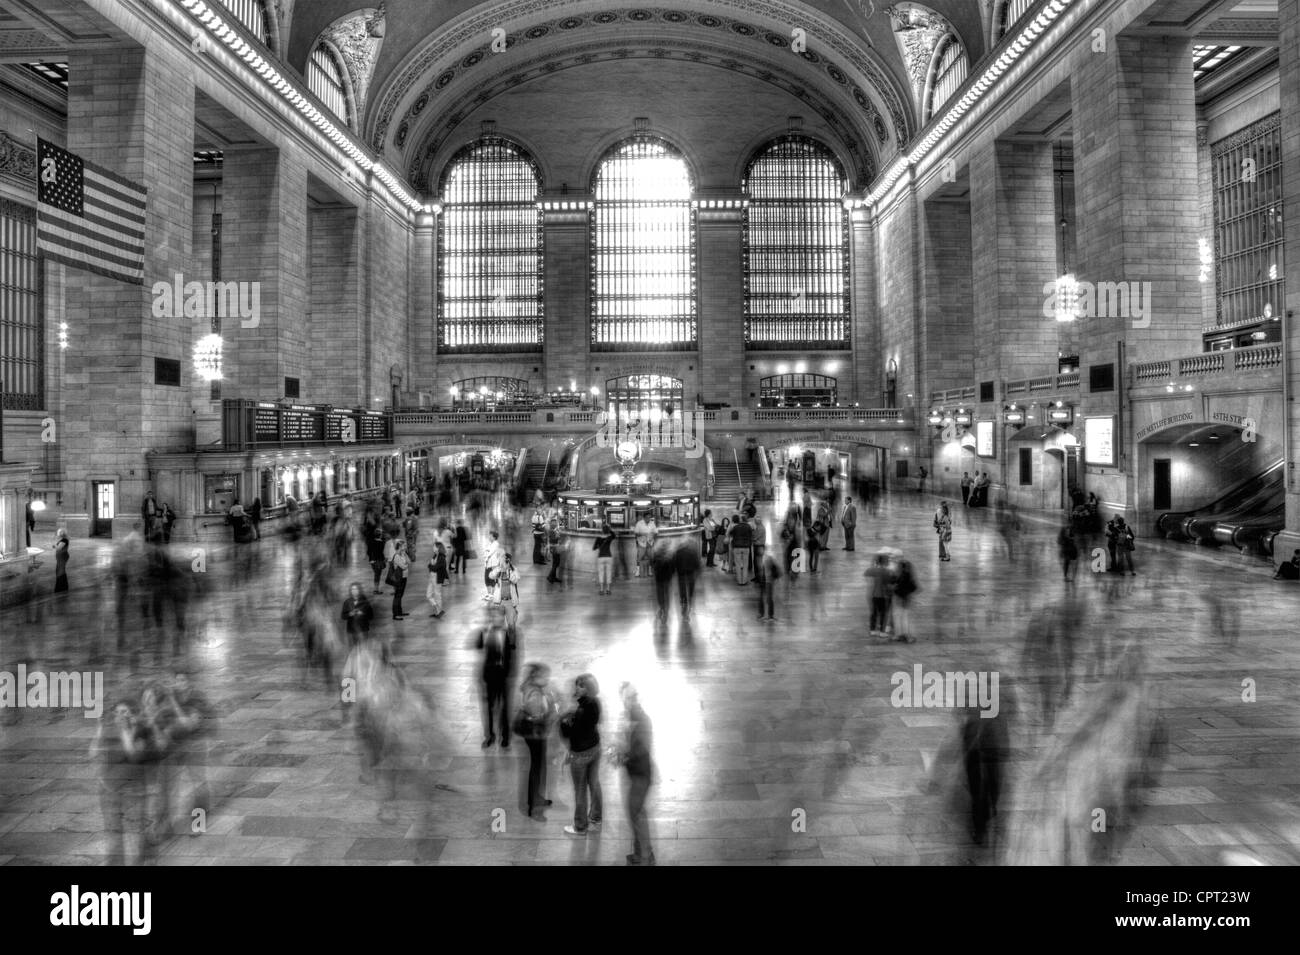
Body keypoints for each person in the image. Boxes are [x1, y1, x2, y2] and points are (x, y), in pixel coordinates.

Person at [617, 683, 656, 865]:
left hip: (641, 775)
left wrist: (623, 757)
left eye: (631, 697)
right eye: (625, 698)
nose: (628, 701)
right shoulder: (630, 716)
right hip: (635, 774)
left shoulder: (642, 719)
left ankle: (645, 857)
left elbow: (641, 749)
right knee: (636, 813)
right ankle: (641, 852)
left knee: (636, 814)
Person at [560, 673, 603, 835]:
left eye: (581, 685)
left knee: (580, 790)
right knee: (594, 784)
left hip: (581, 754)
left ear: (588, 688)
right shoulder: (596, 702)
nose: (577, 687)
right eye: (577, 684)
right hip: (595, 748)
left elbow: (572, 733)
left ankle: (580, 826)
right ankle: (596, 818)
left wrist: (564, 722)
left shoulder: (582, 710)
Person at [516, 663, 558, 821]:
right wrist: (551, 709)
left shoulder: (533, 687)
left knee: (539, 768)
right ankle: (533, 808)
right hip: (535, 735)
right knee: (536, 770)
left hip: (535, 734)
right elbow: (538, 714)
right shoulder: (534, 693)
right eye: (544, 676)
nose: (547, 679)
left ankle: (537, 798)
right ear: (535, 677)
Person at [476, 605, 515, 748]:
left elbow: (511, 655)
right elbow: (479, 647)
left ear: (503, 618)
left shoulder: (508, 633)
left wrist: (509, 674)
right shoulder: (484, 632)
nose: (495, 618)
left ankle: (505, 737)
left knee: (504, 708)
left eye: (498, 616)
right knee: (490, 708)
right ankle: (490, 736)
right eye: (492, 616)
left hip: (503, 676)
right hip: (489, 675)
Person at [866, 554, 893, 638]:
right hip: (883, 596)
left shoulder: (871, 570)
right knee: (883, 614)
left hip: (873, 595)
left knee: (874, 613)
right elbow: (889, 584)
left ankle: (872, 630)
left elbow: (868, 578)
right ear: (885, 562)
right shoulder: (887, 572)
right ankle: (882, 631)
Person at [493, 553, 522, 631]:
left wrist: (508, 571)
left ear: (509, 561)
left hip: (510, 602)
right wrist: (499, 569)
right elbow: (491, 575)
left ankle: (511, 643)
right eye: (501, 560)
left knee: (511, 626)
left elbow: (515, 580)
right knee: (498, 627)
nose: (503, 563)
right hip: (499, 602)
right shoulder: (498, 569)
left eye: (505, 560)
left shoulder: (514, 570)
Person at [756, 546, 781, 621]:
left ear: (764, 549)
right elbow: (759, 571)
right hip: (763, 581)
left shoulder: (769, 558)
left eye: (761, 549)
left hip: (769, 581)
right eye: (759, 549)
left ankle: (770, 615)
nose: (760, 550)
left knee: (769, 598)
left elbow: (777, 568)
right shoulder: (758, 559)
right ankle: (762, 614)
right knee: (761, 598)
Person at [729, 511, 754, 585]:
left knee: (738, 565)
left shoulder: (735, 527)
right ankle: (744, 581)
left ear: (741, 520)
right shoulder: (748, 527)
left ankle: (739, 581)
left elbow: (731, 534)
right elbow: (751, 536)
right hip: (746, 547)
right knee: (745, 565)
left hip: (737, 547)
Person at [388, 539, 410, 619]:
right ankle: (395, 614)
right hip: (399, 578)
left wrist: (405, 555)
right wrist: (406, 565)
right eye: (404, 546)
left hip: (404, 577)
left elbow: (409, 561)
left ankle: (400, 612)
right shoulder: (397, 556)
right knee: (397, 596)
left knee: (400, 595)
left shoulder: (403, 554)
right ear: (400, 547)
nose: (406, 547)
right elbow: (404, 567)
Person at [593, 521, 616, 595]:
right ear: (608, 530)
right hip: (609, 556)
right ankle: (608, 590)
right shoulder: (609, 537)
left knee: (601, 573)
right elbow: (614, 535)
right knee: (609, 573)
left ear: (602, 530)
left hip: (601, 557)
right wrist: (610, 529)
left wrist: (598, 546)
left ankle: (601, 590)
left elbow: (594, 548)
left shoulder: (598, 538)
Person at [426, 542, 449, 617]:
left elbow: (435, 568)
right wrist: (431, 565)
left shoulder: (441, 557)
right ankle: (438, 608)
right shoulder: (435, 555)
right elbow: (432, 565)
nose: (433, 548)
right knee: (428, 595)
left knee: (437, 595)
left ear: (438, 548)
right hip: (432, 577)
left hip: (437, 578)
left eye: (434, 547)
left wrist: (430, 566)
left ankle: (438, 612)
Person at [545, 518, 568, 587]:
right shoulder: (551, 531)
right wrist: (557, 537)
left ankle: (553, 577)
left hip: (555, 548)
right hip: (554, 548)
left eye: (556, 523)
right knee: (556, 563)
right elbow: (552, 539)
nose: (555, 524)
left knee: (556, 562)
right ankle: (550, 576)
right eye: (554, 523)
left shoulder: (554, 530)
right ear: (552, 524)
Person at [633, 512, 657, 578]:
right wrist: (643, 534)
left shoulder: (652, 523)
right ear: (644, 518)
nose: (648, 519)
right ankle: (637, 572)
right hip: (641, 543)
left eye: (649, 517)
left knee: (650, 557)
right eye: (647, 518)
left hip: (650, 543)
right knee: (639, 558)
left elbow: (655, 532)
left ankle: (649, 571)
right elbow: (636, 533)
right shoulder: (639, 523)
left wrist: (652, 536)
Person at [53, 528, 70, 593]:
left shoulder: (64, 540)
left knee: (60, 571)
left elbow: (59, 548)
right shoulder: (63, 539)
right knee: (59, 570)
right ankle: (63, 587)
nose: (57, 534)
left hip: (62, 557)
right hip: (61, 557)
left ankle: (61, 588)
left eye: (58, 532)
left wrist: (54, 546)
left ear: (61, 533)